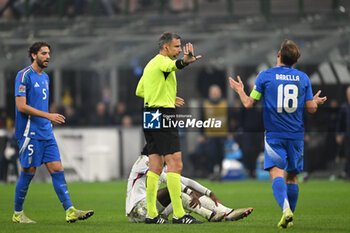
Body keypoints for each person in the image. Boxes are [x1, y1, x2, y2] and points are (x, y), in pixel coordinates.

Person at [228, 39, 327, 228]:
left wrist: (240, 91)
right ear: (295, 61)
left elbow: (249, 103)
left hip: (275, 135)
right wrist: (314, 102)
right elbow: (311, 109)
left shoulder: (265, 76)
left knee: (276, 174)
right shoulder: (303, 78)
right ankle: (289, 218)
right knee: (293, 178)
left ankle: (285, 210)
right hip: (296, 135)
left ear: (279, 55)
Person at [13, 41, 94, 223]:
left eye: (48, 53)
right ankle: (18, 214)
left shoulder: (46, 77)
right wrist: (48, 115)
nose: (48, 56)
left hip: (46, 132)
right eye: (43, 53)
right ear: (34, 55)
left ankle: (70, 210)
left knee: (57, 169)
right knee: (28, 171)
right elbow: (21, 106)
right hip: (29, 132)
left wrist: (47, 120)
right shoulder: (24, 75)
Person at [135, 32, 202, 224]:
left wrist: (164, 95)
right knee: (176, 163)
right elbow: (174, 65)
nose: (180, 50)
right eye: (176, 47)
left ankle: (151, 214)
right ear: (165, 48)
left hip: (149, 113)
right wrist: (186, 61)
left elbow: (140, 90)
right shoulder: (163, 62)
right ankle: (179, 215)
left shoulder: (150, 65)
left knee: (156, 165)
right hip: (163, 114)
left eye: (180, 47)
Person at [126, 155, 253, 223]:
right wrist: (189, 192)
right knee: (175, 190)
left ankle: (227, 212)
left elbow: (185, 181)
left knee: (181, 193)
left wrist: (209, 192)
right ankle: (211, 215)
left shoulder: (161, 163)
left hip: (153, 210)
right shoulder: (144, 160)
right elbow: (166, 180)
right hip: (137, 211)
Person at [336, 86, 350, 180]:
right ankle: (347, 173)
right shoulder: (344, 107)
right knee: (348, 154)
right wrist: (338, 134)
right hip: (348, 135)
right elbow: (339, 122)